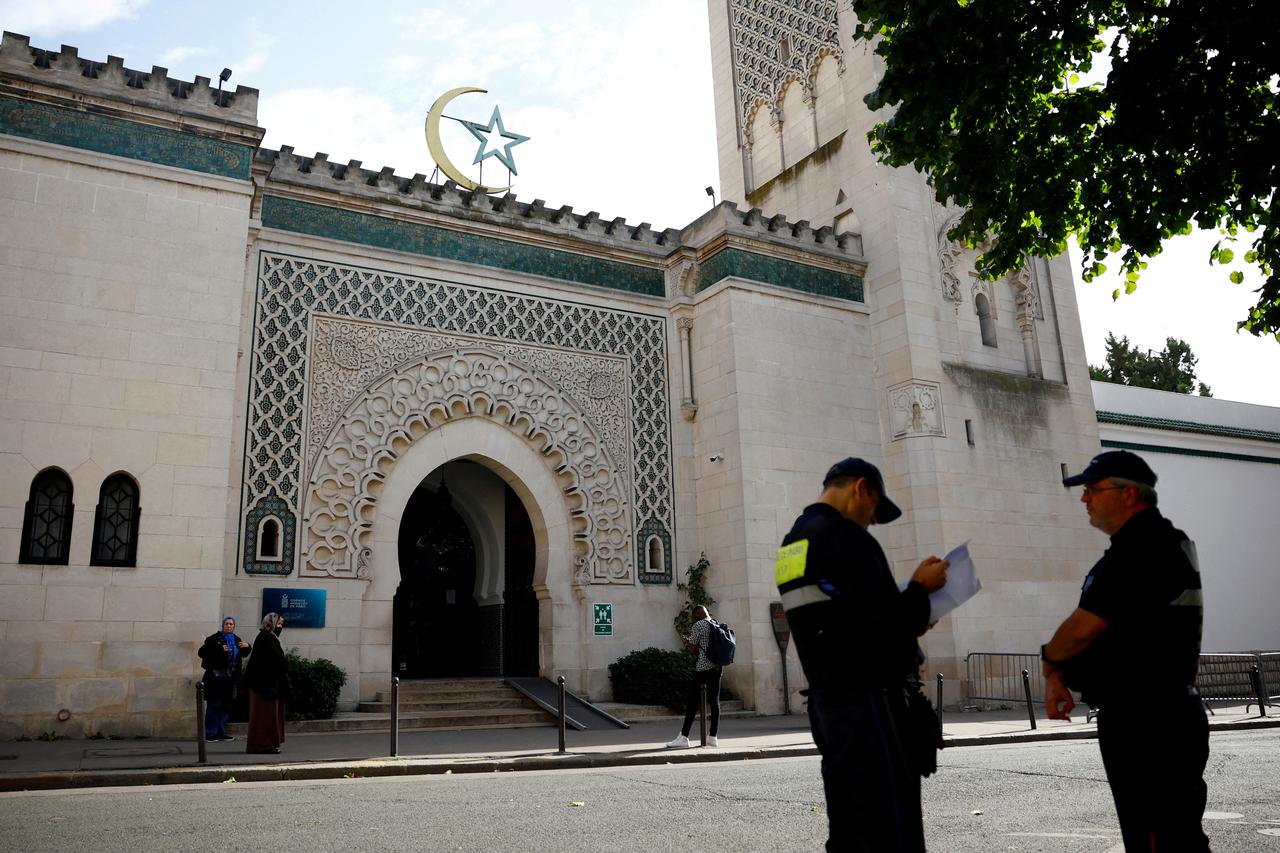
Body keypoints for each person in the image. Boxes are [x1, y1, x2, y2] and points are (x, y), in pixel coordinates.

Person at [775, 457, 949, 853]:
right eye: (874, 511)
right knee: (890, 827)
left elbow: (846, 620)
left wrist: (908, 615)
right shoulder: (848, 539)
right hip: (873, 705)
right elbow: (885, 624)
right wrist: (922, 589)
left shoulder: (793, 543)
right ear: (861, 488)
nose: (871, 522)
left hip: (831, 704)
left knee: (851, 824)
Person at [1042, 450, 1208, 851]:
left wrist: (1051, 665)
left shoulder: (1143, 547)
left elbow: (1081, 629)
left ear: (1129, 494)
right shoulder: (1156, 543)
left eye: (1093, 490)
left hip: (1147, 720)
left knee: (1157, 838)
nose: (1085, 499)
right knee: (1170, 835)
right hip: (1158, 714)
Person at [665, 605, 723, 749]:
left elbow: (692, 649)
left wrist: (687, 642)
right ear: (706, 612)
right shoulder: (716, 623)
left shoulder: (699, 625)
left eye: (694, 615)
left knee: (692, 701)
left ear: (697, 614)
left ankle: (684, 737)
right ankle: (713, 738)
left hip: (703, 667)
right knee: (714, 701)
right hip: (718, 667)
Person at [243, 612, 290, 754]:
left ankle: (267, 744)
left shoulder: (267, 637)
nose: (280, 627)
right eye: (279, 623)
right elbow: (278, 661)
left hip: (265, 685)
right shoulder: (267, 638)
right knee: (265, 717)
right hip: (264, 686)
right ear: (271, 623)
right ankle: (264, 745)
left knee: (266, 716)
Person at [197, 616, 251, 741]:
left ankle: (221, 732)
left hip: (229, 679)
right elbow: (202, 652)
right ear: (223, 625)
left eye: (231, 624)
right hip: (215, 678)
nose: (229, 626)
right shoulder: (214, 639)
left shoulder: (236, 640)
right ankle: (211, 733)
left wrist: (248, 646)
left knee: (225, 707)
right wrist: (218, 649)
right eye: (226, 624)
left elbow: (243, 654)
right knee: (214, 705)